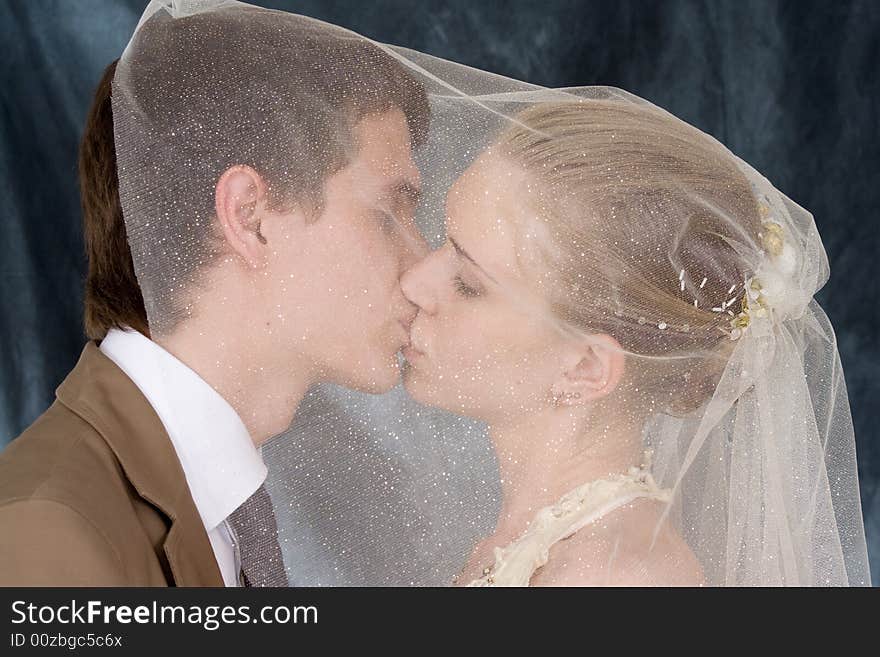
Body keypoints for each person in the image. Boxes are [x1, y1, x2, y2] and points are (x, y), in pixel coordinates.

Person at [0, 0, 429, 586]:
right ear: (250, 218)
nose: (425, 266)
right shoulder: (49, 531)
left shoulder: (209, 498)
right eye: (387, 214)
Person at [400, 93, 871, 586]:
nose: (413, 283)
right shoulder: (537, 547)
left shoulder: (615, 577)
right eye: (442, 244)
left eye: (468, 284)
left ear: (585, 367)